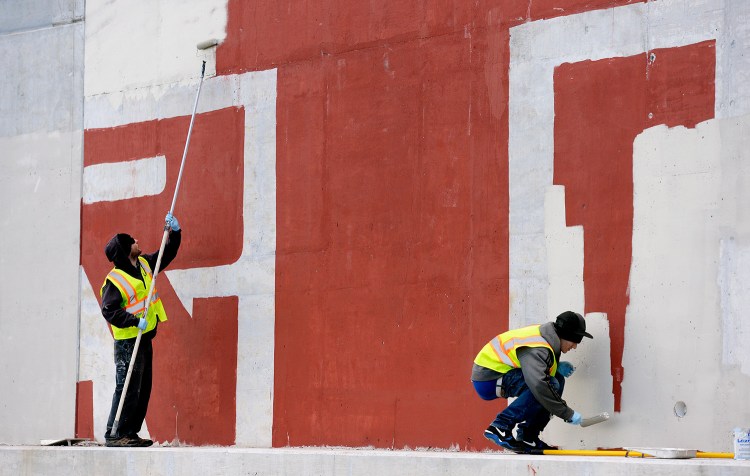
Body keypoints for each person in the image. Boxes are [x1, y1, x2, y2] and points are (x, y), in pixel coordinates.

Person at [100, 212, 182, 447]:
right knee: (126, 387)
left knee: (143, 388)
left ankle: (130, 433)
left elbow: (167, 254)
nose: (137, 240)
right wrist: (134, 321)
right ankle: (114, 433)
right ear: (126, 250)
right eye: (132, 241)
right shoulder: (115, 280)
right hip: (128, 341)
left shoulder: (145, 264)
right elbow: (109, 310)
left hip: (144, 337)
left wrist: (174, 233)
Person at [471, 311, 593, 453]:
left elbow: (533, 363)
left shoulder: (547, 337)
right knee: (548, 385)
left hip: (502, 372)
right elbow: (539, 384)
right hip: (489, 376)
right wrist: (567, 413)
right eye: (575, 341)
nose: (574, 347)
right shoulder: (539, 347)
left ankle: (528, 436)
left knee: (557, 379)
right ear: (566, 336)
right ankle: (500, 426)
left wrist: (555, 366)